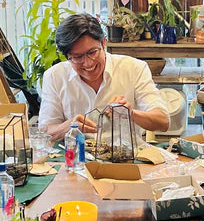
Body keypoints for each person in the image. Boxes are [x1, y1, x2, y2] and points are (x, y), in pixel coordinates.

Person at [37, 12, 169, 141]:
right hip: (76, 154)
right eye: (77, 57)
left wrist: (131, 113)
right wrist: (70, 126)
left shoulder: (134, 68)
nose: (88, 63)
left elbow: (163, 122)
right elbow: (45, 132)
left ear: (104, 43)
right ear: (67, 57)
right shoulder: (55, 76)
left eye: (92, 52)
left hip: (125, 154)